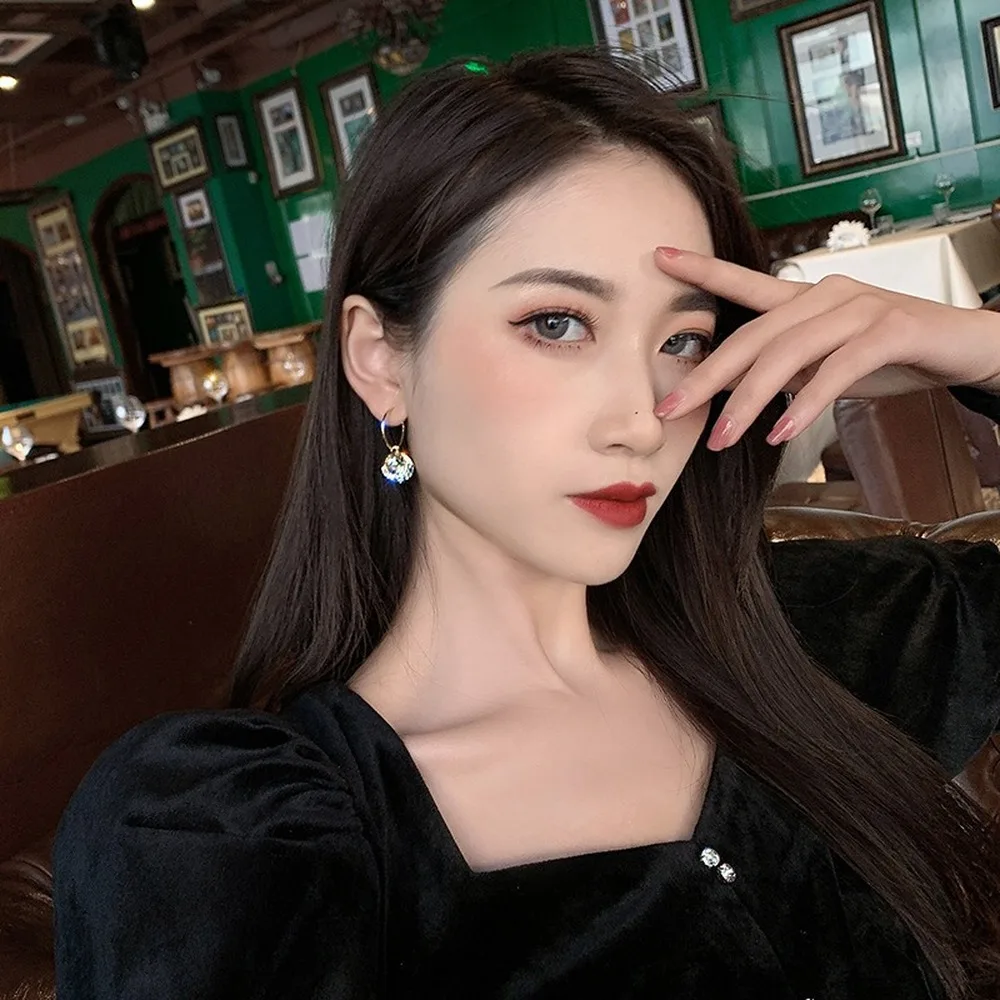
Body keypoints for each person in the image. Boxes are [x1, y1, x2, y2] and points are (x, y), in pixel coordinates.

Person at [53, 50, 1000, 999]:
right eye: (556, 323)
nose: (640, 420)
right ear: (380, 359)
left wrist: (977, 349)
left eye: (683, 341)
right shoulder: (236, 840)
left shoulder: (822, 638)